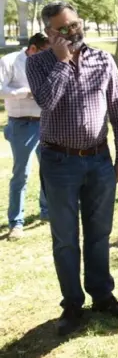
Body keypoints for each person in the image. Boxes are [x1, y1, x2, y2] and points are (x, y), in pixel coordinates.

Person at [26, 1, 118, 336]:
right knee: (65, 238)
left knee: (99, 233)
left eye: (74, 24)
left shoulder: (103, 59)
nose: (72, 31)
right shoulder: (39, 63)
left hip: (99, 160)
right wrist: (61, 62)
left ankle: (102, 294)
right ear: (49, 32)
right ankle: (72, 303)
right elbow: (46, 102)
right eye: (63, 28)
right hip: (59, 161)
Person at [0, 32, 50, 239]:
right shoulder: (9, 61)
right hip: (22, 123)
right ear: (32, 49)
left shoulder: (48, 61)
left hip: (46, 122)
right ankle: (16, 222)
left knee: (49, 170)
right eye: (44, 53)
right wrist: (25, 92)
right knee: (22, 174)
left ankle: (47, 212)